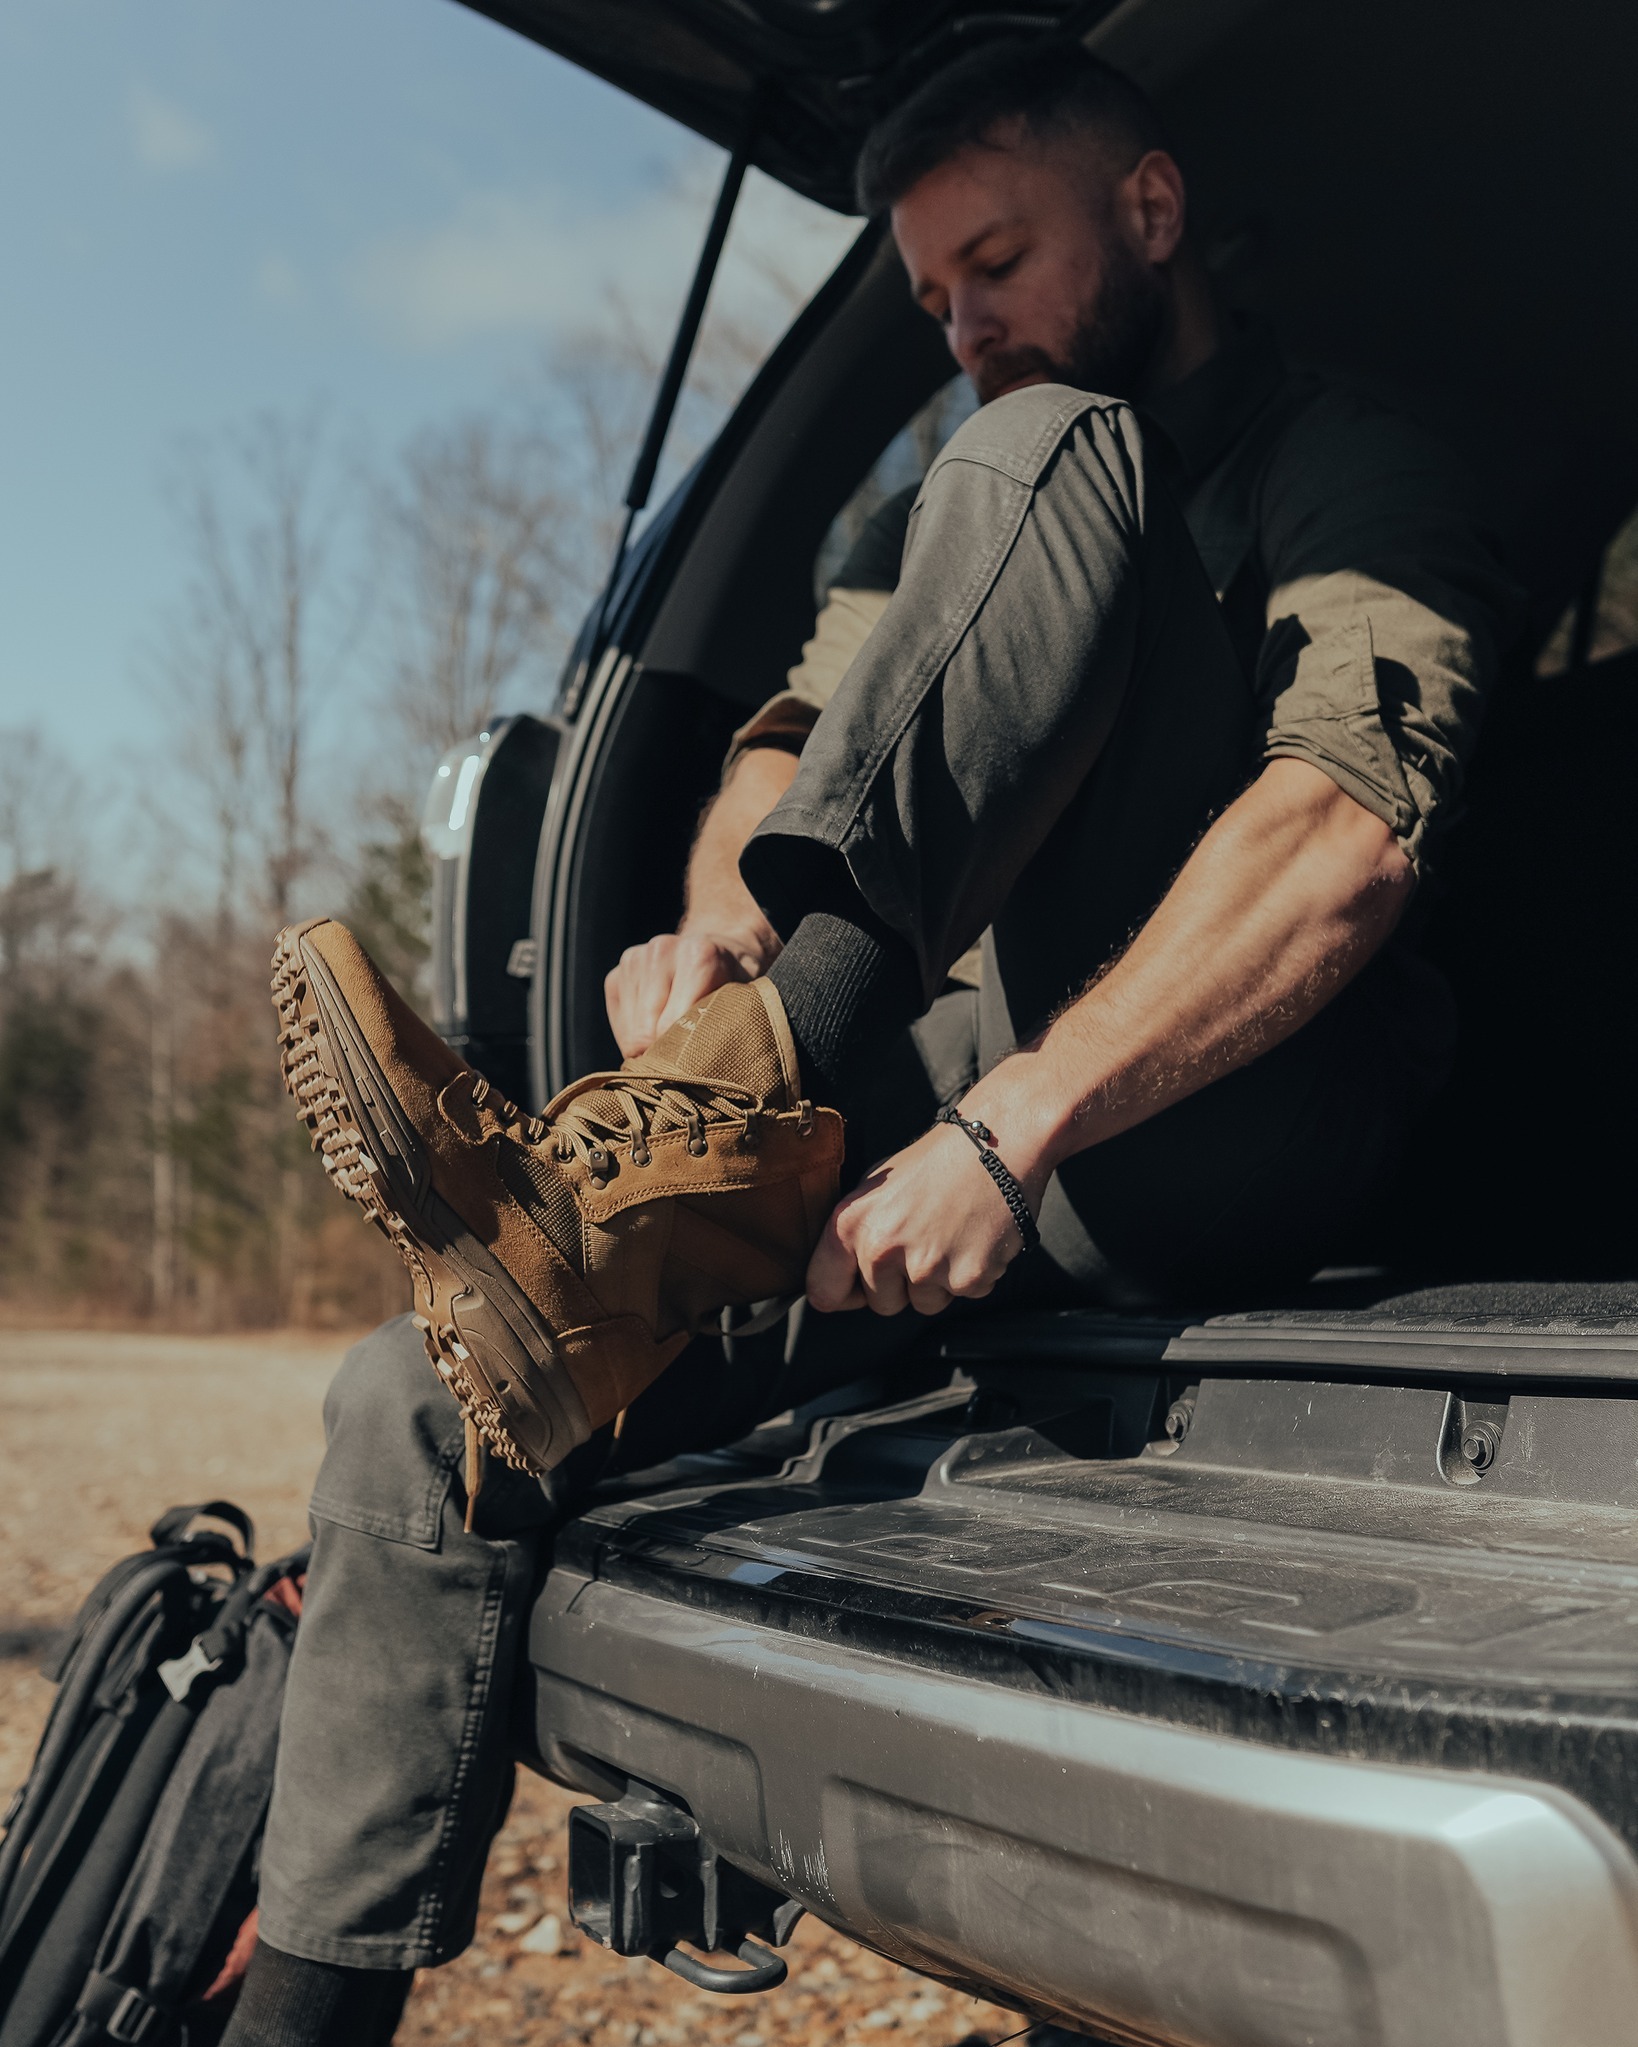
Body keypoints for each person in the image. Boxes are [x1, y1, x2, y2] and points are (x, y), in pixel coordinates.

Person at [225, 38, 1515, 2044]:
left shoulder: (1355, 458)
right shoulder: (949, 501)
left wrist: (1013, 1124)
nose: (963, 323)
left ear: (1151, 213)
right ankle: (292, 2021)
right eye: (928, 297)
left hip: (1222, 1124)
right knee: (426, 1407)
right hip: (912, 1130)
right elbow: (784, 747)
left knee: (1032, 457)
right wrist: (729, 920)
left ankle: (664, 1158)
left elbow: (1339, 835)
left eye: (993, 261)